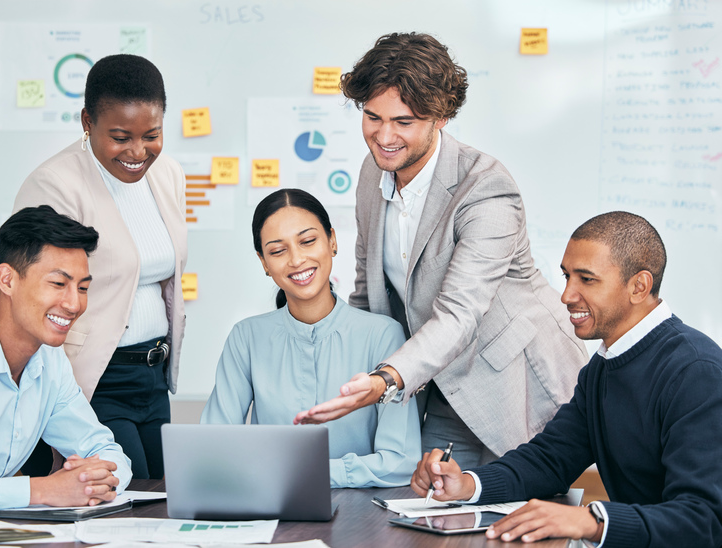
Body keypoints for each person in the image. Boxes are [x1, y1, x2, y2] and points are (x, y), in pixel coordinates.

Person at [295, 32, 588, 467]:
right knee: (430, 498)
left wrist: (384, 379)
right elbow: (369, 294)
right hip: (437, 383)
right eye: (372, 117)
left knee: (517, 504)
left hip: (516, 383)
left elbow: (460, 313)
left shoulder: (486, 188)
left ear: (441, 117)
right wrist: (332, 369)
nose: (384, 135)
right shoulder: (372, 175)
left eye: (404, 122)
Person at [411, 211, 722, 547]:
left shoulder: (696, 372)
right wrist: (467, 485)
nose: (567, 295)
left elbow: (703, 519)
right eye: (567, 276)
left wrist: (591, 520)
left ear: (639, 286)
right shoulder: (602, 368)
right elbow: (551, 459)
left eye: (586, 279)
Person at [14, 54, 188, 479]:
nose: (138, 152)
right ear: (87, 122)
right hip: (93, 377)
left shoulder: (168, 174)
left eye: (151, 135)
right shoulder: (55, 185)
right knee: (127, 497)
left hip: (154, 376)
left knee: (167, 496)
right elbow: (35, 297)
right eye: (120, 137)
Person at [201, 189, 421, 488]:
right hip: (270, 503)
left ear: (332, 241)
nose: (296, 259)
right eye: (278, 251)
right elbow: (214, 445)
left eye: (307, 241)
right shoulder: (246, 338)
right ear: (264, 262)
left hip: (360, 508)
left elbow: (401, 461)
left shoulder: (382, 334)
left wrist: (304, 473)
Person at [0, 206, 132, 517]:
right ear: (7, 280)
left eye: (83, 288)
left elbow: (108, 452)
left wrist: (91, 481)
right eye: (58, 284)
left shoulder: (51, 362)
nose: (74, 304)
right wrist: (42, 490)